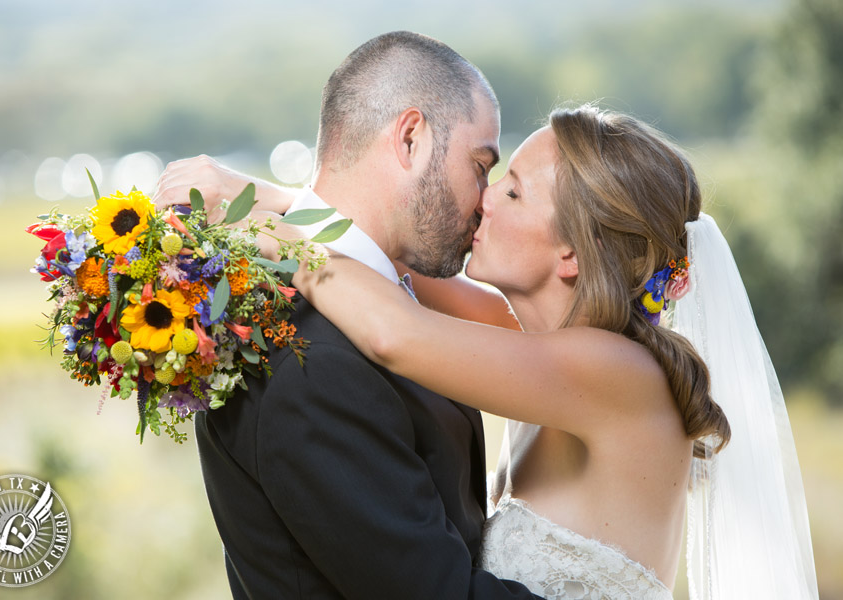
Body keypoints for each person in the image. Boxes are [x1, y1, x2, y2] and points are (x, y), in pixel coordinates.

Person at [225, 105, 818, 598]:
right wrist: (278, 200)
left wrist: (270, 221)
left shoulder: (615, 371)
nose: (483, 200)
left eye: (512, 192)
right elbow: (386, 258)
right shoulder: (533, 345)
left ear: (572, 254)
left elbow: (393, 332)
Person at [156, 31, 541, 599]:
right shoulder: (313, 361)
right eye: (480, 164)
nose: (485, 197)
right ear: (411, 138)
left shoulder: (385, 291)